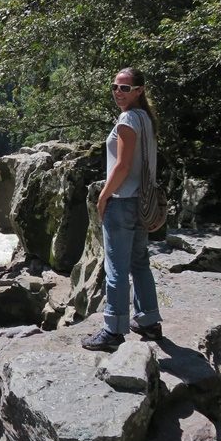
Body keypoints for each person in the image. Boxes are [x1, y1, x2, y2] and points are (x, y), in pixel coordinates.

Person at [81, 67, 163, 352]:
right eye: (115, 86)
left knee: (115, 266)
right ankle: (149, 322)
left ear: (139, 90)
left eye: (124, 88)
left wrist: (104, 196)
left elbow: (123, 165)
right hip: (141, 200)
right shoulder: (145, 119)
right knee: (140, 262)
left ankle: (113, 330)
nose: (118, 92)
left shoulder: (128, 119)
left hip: (123, 200)